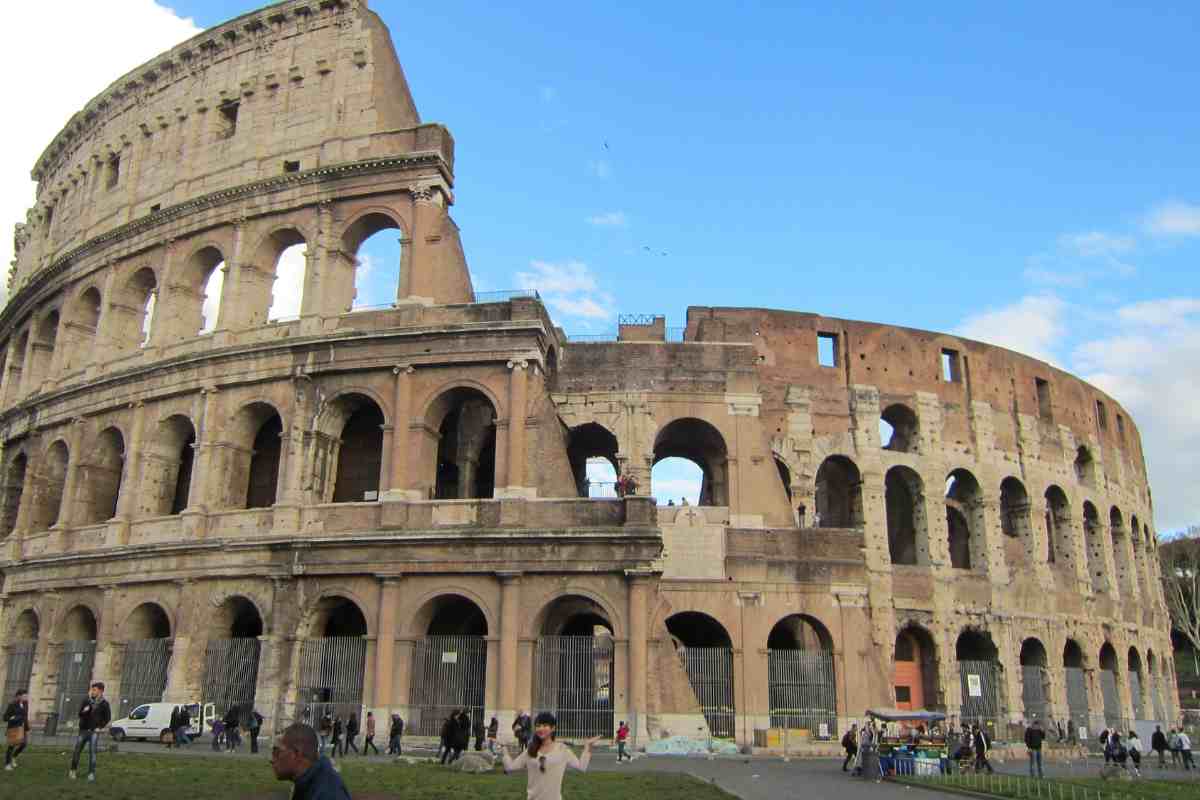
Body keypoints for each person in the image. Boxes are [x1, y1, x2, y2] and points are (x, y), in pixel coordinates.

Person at [502, 711, 600, 800]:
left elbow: (582, 767)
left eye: (545, 725)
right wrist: (504, 749)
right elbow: (510, 768)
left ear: (553, 728)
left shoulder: (562, 749)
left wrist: (588, 746)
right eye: (538, 725)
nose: (541, 729)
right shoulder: (530, 750)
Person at [270, 723, 352, 800]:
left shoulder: (327, 794)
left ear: (297, 753)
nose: (271, 760)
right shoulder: (308, 781)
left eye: (276, 752)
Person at [69, 681, 111, 782]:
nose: (92, 691)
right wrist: (85, 710)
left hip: (94, 732)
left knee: (93, 753)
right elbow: (80, 714)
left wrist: (100, 727)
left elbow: (107, 718)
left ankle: (91, 773)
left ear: (100, 691)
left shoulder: (104, 703)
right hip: (83, 730)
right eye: (92, 689)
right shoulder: (86, 701)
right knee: (77, 751)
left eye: (94, 690)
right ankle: (72, 771)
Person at [4, 689, 30, 770]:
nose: (26, 697)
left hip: (22, 728)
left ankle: (13, 758)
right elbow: (5, 717)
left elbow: (25, 716)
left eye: (26, 695)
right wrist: (13, 718)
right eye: (24, 696)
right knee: (11, 746)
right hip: (13, 728)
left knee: (24, 744)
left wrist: (27, 728)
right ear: (19, 696)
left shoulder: (26, 704)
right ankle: (7, 764)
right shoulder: (12, 705)